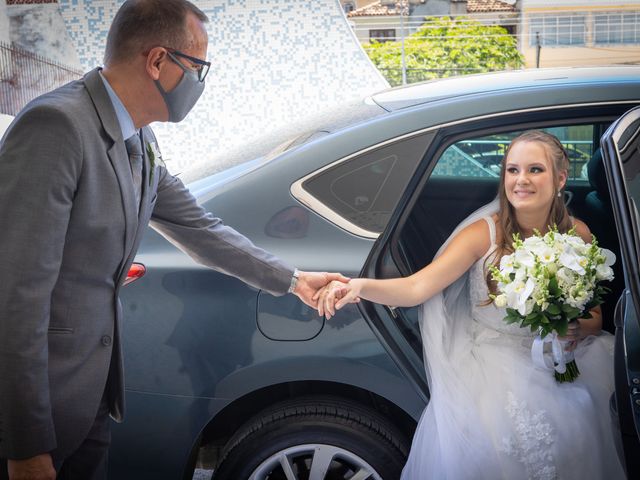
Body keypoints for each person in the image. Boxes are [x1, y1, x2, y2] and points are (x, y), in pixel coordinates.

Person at [0, 1, 347, 479]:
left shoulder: (140, 137)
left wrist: (292, 279)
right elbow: (14, 295)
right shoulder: (56, 127)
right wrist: (25, 446)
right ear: (157, 60)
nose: (201, 83)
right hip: (40, 413)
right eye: (198, 67)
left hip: (92, 396)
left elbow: (199, 227)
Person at [317, 130, 625, 479]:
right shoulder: (484, 234)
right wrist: (358, 286)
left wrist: (571, 326)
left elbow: (595, 319)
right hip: (494, 365)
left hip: (565, 358)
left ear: (560, 178)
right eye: (512, 170)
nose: (521, 180)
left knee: (585, 416)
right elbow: (418, 287)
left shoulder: (578, 235)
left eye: (534, 170)